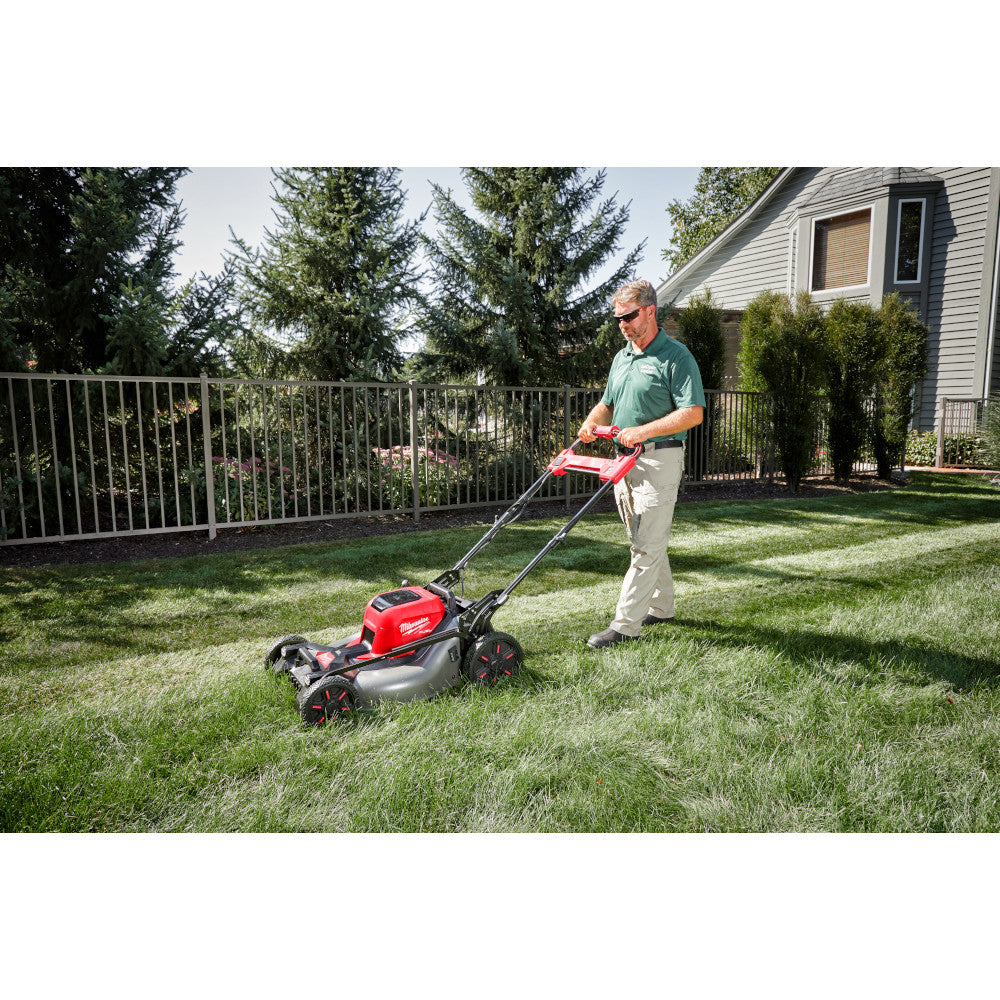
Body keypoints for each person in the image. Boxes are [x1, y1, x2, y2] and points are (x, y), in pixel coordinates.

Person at [578, 279, 705, 648]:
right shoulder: (623, 357)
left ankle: (625, 625)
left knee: (646, 544)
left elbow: (693, 413)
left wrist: (642, 432)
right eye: (618, 318)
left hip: (659, 459)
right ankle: (662, 607)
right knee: (644, 539)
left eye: (629, 316)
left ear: (650, 311)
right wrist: (591, 423)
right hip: (624, 462)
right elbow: (607, 404)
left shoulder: (676, 356)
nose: (623, 324)